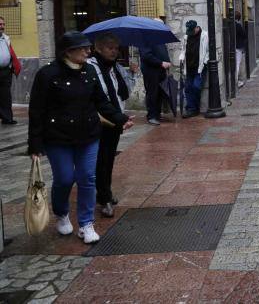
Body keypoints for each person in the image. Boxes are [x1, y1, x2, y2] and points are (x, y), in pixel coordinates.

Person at [28, 31, 134, 244]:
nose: (88, 51)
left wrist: (120, 118)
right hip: (57, 137)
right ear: (69, 51)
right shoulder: (47, 74)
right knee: (65, 178)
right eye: (83, 48)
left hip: (88, 135)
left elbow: (101, 102)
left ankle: (86, 223)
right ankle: (62, 212)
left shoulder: (89, 72)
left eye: (88, 47)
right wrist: (35, 144)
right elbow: (36, 111)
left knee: (87, 178)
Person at [86, 33, 133, 218]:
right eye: (109, 48)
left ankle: (105, 192)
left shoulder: (113, 68)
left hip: (113, 120)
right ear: (98, 48)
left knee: (108, 159)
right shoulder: (91, 67)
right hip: (99, 120)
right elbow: (97, 96)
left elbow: (120, 92)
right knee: (100, 161)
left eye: (116, 48)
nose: (114, 51)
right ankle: (103, 197)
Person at [138, 26, 171, 125]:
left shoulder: (158, 38)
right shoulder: (145, 38)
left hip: (160, 71)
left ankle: (157, 114)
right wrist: (161, 63)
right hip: (151, 71)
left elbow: (163, 53)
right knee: (152, 93)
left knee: (160, 93)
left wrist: (167, 63)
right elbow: (146, 56)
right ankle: (151, 116)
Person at [179, 20, 208, 118]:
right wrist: (181, 57)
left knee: (196, 87)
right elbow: (183, 49)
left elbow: (208, 51)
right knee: (187, 88)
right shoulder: (186, 36)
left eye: (192, 31)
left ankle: (195, 108)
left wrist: (205, 62)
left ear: (197, 28)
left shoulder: (204, 36)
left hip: (199, 67)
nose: (190, 33)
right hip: (189, 67)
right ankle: (191, 109)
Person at [0, 15, 22, 125]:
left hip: (5, 71)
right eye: (0, 24)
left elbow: (10, 53)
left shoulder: (6, 38)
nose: (2, 26)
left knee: (5, 96)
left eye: (3, 24)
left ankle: (7, 118)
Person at [234, 11, 248, 88]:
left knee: (236, 63)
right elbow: (244, 35)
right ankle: (236, 81)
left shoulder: (231, 25)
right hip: (238, 47)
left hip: (233, 46)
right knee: (237, 63)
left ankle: (236, 80)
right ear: (239, 18)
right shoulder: (238, 26)